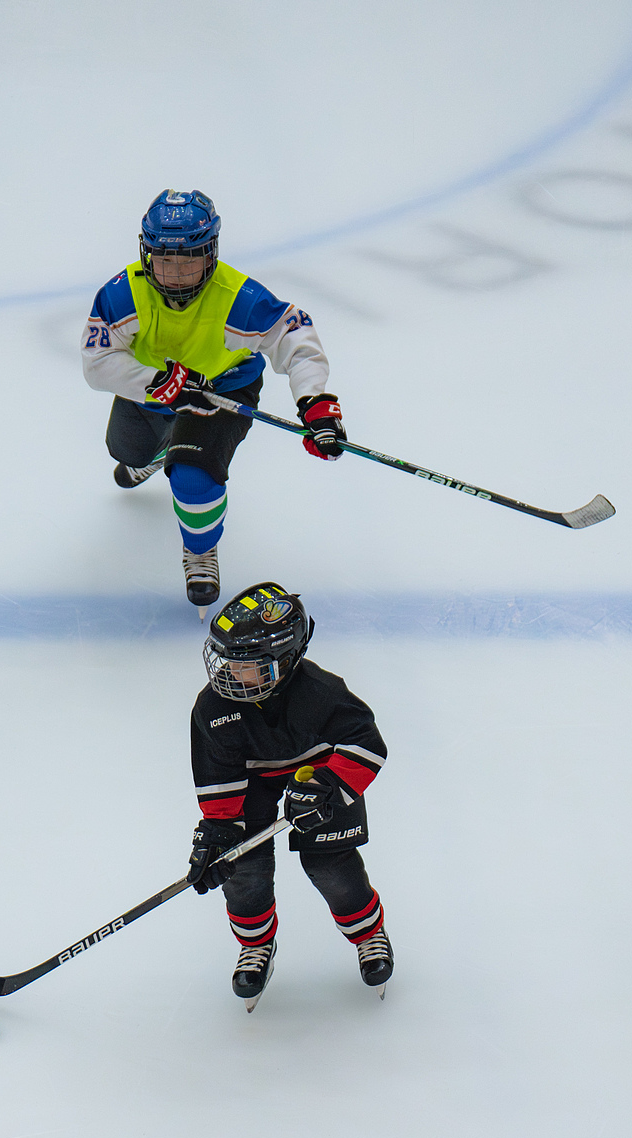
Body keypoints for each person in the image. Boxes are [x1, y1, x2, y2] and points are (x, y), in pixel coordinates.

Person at [81, 191, 346, 611]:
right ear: (146, 253)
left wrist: (314, 403)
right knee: (125, 451)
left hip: (221, 392)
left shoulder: (240, 298)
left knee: (192, 476)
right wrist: (159, 383)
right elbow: (97, 363)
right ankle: (161, 447)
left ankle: (200, 547)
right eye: (165, 259)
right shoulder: (122, 294)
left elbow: (295, 340)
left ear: (211, 254)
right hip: (154, 388)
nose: (176, 273)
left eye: (190, 259)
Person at [184, 583, 392, 1005]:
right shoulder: (213, 709)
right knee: (242, 868)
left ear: (284, 661)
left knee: (332, 865)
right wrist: (220, 835)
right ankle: (256, 945)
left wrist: (324, 786)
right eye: (224, 661)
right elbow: (219, 781)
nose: (228, 674)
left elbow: (367, 745)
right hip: (253, 779)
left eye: (245, 665)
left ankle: (369, 936)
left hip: (320, 778)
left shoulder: (323, 694)